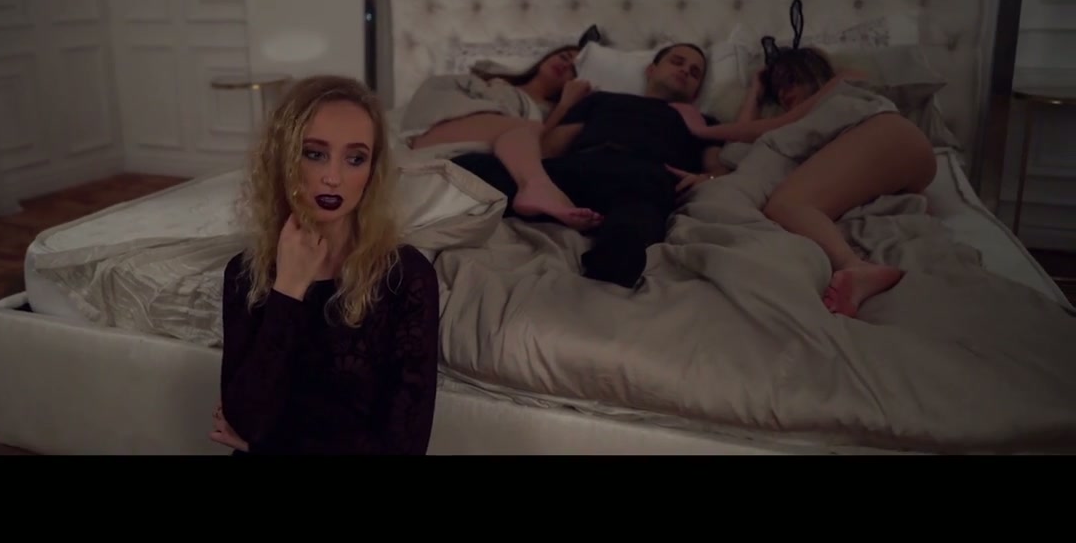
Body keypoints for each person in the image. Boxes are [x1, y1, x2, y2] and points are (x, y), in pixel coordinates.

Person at [209, 74, 441, 455]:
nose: (333, 177)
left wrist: (270, 445)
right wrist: (288, 289)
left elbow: (404, 448)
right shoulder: (246, 273)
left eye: (355, 159)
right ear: (283, 157)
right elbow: (245, 419)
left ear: (371, 171)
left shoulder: (405, 277)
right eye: (314, 153)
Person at [673, 45, 937, 318]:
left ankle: (855, 266)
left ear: (813, 73)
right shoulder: (804, 133)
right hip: (900, 168)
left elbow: (764, 128)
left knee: (786, 206)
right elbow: (739, 146)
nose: (784, 94)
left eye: (791, 81)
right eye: (778, 90)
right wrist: (755, 92)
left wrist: (700, 130)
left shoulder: (843, 82)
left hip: (892, 135)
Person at [450, 42, 725, 289]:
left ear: (696, 91)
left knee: (631, 231)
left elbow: (718, 169)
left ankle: (608, 266)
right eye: (677, 61)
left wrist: (706, 179)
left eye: (695, 72)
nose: (685, 70)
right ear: (652, 69)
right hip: (582, 166)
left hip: (644, 176)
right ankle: (545, 200)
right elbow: (549, 150)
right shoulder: (601, 100)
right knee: (467, 168)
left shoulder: (705, 123)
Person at [402, 45, 602, 230]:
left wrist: (564, 106)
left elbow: (541, 147)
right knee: (529, 129)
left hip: (485, 149)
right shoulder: (490, 83)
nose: (565, 65)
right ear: (546, 57)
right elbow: (439, 93)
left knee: (530, 134)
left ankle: (536, 188)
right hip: (439, 131)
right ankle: (536, 187)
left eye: (573, 69)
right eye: (564, 56)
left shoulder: (549, 112)